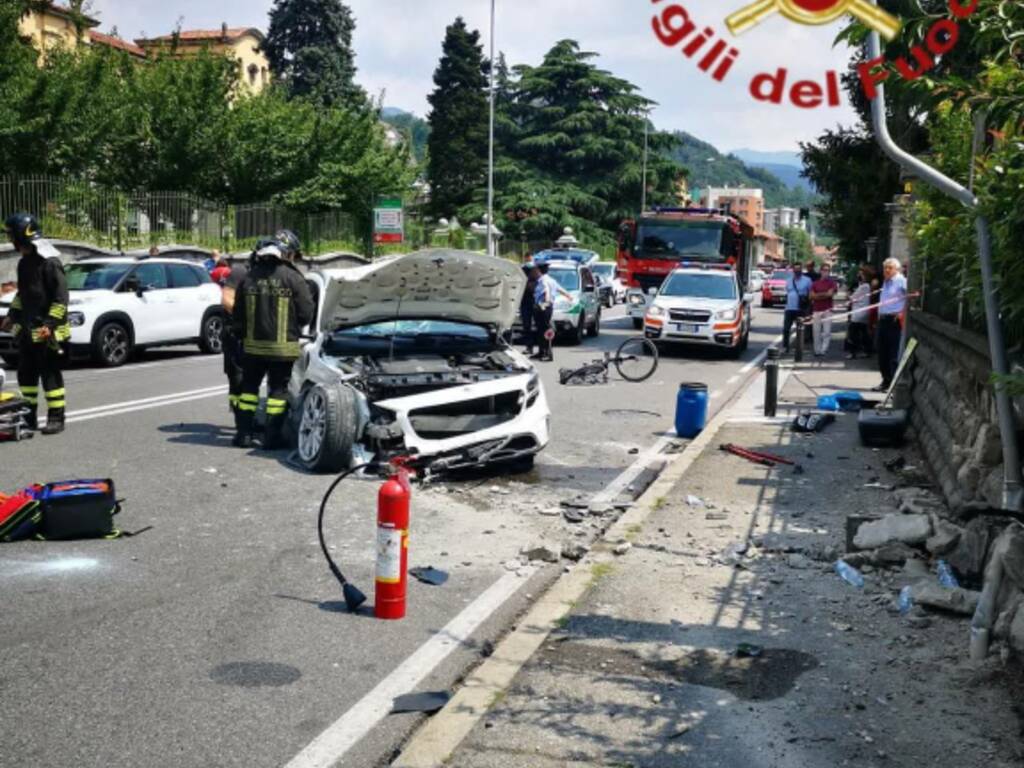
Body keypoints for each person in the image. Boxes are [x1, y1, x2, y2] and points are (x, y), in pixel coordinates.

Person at [232, 230, 314, 449]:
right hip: (282, 350)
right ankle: (272, 438)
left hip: (252, 348)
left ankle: (244, 435)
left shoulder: (249, 278)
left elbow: (237, 315)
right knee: (278, 393)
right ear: (286, 254)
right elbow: (306, 313)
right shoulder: (293, 278)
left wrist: (240, 336)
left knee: (249, 390)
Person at [1, 213, 70, 435]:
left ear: (23, 234)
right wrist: (12, 315)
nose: (10, 239)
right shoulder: (24, 264)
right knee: (26, 375)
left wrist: (49, 324)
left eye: (12, 234)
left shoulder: (50, 263)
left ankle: (56, 418)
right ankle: (28, 418)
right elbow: (23, 294)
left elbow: (61, 299)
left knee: (50, 375)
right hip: (28, 330)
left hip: (47, 332)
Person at [219, 249, 252, 423]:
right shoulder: (240, 272)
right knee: (237, 378)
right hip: (235, 334)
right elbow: (226, 299)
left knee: (250, 378)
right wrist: (247, 317)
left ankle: (247, 419)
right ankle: (240, 420)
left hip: (250, 335)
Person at [875, 257, 908, 392]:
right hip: (883, 319)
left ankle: (894, 384)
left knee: (893, 353)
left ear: (897, 269)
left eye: (890, 268)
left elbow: (910, 297)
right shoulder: (886, 282)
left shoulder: (901, 281)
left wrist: (902, 312)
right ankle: (885, 381)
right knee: (882, 351)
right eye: (885, 268)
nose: (886, 270)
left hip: (894, 320)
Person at [530, 263, 572, 363]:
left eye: (535, 270)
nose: (534, 272)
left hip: (542, 307)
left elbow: (546, 290)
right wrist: (569, 296)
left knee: (544, 331)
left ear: (538, 271)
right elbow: (560, 289)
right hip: (547, 307)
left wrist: (546, 301)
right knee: (542, 330)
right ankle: (542, 351)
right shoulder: (551, 280)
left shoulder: (543, 280)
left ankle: (547, 353)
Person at [782, 262, 812, 354]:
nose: (797, 271)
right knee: (786, 328)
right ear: (793, 271)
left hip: (801, 309)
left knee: (801, 329)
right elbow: (787, 292)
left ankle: (800, 348)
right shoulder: (788, 280)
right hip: (789, 308)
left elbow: (810, 294)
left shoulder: (807, 280)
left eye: (799, 269)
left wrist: (808, 305)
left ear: (801, 270)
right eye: (795, 269)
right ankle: (785, 347)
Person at [809, 263, 838, 357]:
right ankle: (817, 350)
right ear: (821, 271)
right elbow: (811, 296)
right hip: (816, 309)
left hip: (827, 310)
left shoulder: (832, 283)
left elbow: (830, 294)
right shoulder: (815, 283)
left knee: (827, 332)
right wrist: (824, 294)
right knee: (816, 331)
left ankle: (823, 350)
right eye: (824, 270)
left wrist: (817, 295)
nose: (826, 272)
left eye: (828, 270)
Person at [846, 266, 873, 359]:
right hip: (862, 312)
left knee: (853, 333)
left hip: (859, 313)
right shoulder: (864, 286)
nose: (859, 276)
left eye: (861, 274)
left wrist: (849, 295)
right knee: (864, 332)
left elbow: (852, 297)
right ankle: (866, 351)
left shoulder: (864, 286)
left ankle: (853, 352)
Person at [520, 262, 537, 356]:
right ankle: (529, 347)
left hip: (535, 304)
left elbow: (532, 289)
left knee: (539, 327)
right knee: (526, 326)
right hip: (525, 305)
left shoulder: (535, 280)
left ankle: (543, 348)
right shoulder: (522, 280)